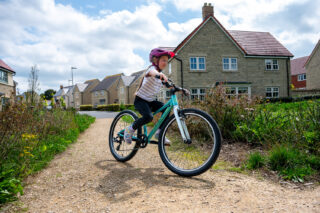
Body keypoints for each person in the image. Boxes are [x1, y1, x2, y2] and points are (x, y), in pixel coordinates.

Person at [124, 48, 175, 145]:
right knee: (148, 117)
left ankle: (160, 133)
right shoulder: (151, 69)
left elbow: (169, 85)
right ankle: (130, 129)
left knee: (167, 107)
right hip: (140, 101)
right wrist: (159, 75)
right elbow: (153, 73)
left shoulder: (161, 75)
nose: (166, 62)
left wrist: (178, 88)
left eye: (167, 61)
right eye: (163, 60)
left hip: (150, 101)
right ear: (156, 60)